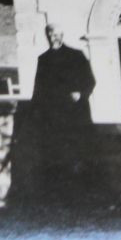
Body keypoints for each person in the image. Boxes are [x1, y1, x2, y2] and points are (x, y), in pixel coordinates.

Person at [20, 25, 96, 205]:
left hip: (75, 114)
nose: (54, 36)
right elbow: (38, 89)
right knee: (54, 153)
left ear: (62, 34)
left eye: (56, 33)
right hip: (52, 116)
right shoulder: (44, 59)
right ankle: (58, 195)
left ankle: (81, 193)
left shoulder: (76, 56)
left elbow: (90, 81)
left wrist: (80, 93)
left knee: (77, 151)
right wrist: (34, 112)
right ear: (47, 36)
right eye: (50, 33)